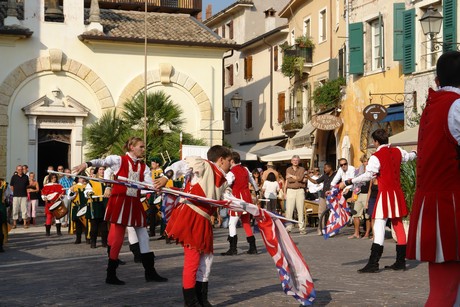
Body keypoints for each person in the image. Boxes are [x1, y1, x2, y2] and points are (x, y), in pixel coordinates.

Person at [73, 137, 167, 285]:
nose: (143, 149)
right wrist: (86, 164)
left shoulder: (144, 167)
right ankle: (111, 274)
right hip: (120, 202)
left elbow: (150, 184)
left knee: (143, 234)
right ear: (131, 147)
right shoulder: (119, 160)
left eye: (144, 147)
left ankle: (150, 271)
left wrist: (162, 182)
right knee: (117, 237)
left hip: (134, 203)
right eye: (141, 147)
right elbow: (102, 162)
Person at [406, 51, 460, 306]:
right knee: (446, 293)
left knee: (445, 290)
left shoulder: (434, 105)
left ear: (437, 80)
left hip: (436, 205)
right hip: (452, 207)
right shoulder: (457, 105)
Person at [154, 145, 232, 307]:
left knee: (207, 259)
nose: (231, 164)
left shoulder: (224, 180)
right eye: (229, 160)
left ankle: (202, 298)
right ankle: (190, 302)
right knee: (193, 259)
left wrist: (249, 207)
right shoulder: (203, 165)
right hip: (191, 215)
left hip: (203, 219)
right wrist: (166, 176)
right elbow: (181, 165)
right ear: (221, 160)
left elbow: (227, 198)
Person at [339, 129, 416, 273]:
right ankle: (400, 262)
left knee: (379, 224)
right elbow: (410, 156)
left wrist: (350, 181)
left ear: (376, 141)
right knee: (397, 224)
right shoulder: (398, 151)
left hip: (385, 194)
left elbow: (368, 176)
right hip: (397, 194)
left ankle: (373, 263)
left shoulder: (376, 156)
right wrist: (415, 153)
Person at [222, 151, 260, 256]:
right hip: (247, 199)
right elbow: (252, 181)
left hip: (237, 200)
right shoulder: (246, 169)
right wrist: (257, 191)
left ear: (232, 161)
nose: (228, 163)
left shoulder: (231, 173)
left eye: (229, 161)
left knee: (232, 223)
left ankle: (233, 248)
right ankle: (253, 247)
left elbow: (226, 184)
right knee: (246, 222)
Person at [305, 163, 336, 235]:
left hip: (332, 196)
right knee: (321, 212)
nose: (324, 170)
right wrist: (308, 178)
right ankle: (321, 228)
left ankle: (331, 228)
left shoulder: (336, 175)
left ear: (330, 168)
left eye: (325, 168)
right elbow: (316, 181)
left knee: (332, 213)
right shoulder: (325, 175)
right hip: (323, 196)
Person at [348, 155, 369, 239]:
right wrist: (354, 194)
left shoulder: (371, 171)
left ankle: (367, 233)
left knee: (367, 216)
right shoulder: (358, 171)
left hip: (367, 194)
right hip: (359, 193)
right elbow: (355, 183)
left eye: (367, 161)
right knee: (356, 214)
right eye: (364, 161)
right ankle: (356, 233)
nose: (366, 163)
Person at [284, 155, 307, 234]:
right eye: (294, 160)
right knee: (289, 210)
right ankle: (288, 227)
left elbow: (300, 179)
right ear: (291, 161)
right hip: (290, 190)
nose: (295, 161)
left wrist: (291, 176)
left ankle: (302, 228)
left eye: (297, 160)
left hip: (300, 190)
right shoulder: (288, 169)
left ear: (299, 161)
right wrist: (284, 192)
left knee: (300, 210)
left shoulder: (302, 169)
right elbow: (289, 180)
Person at [88, 167, 109, 248]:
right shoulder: (92, 181)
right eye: (100, 170)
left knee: (104, 225)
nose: (102, 171)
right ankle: (93, 242)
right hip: (95, 205)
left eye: (103, 169)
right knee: (94, 226)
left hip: (104, 204)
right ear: (97, 171)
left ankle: (105, 242)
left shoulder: (107, 182)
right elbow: (87, 191)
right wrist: (89, 193)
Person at [10, 165, 29, 229]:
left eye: (21, 169)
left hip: (24, 196)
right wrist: (15, 192)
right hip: (16, 196)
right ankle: (14, 224)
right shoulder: (14, 177)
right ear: (16, 170)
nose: (20, 170)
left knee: (24, 210)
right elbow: (11, 186)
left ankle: (25, 224)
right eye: (18, 169)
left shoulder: (26, 177)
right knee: (15, 210)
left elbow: (27, 186)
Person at [0, 178, 8, 252]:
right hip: (1, 207)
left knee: (2, 226)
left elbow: (6, 195)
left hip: (1, 208)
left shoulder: (3, 184)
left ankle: (1, 245)